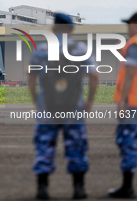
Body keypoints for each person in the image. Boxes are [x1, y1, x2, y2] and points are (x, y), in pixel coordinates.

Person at [28, 13, 98, 200]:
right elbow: (94, 75)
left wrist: (37, 100)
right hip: (73, 108)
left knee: (44, 147)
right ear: (72, 30)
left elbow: (31, 78)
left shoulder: (42, 49)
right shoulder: (80, 48)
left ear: (53, 29)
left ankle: (42, 189)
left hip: (47, 108)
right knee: (76, 147)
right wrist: (89, 101)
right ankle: (78, 188)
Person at [110, 12, 137, 199]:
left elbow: (130, 73)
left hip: (134, 104)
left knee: (128, 144)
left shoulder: (136, 44)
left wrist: (122, 101)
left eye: (128, 25)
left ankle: (127, 188)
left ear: (136, 24)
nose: (127, 29)